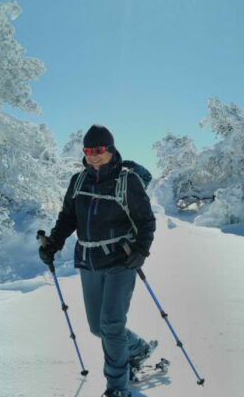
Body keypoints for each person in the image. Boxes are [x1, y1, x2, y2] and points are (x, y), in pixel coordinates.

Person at [38, 125, 157, 397]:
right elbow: (68, 217)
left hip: (121, 261)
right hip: (88, 261)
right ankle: (137, 348)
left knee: (111, 326)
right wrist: (54, 243)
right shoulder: (78, 181)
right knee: (96, 327)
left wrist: (142, 250)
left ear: (110, 149)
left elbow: (146, 222)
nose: (93, 156)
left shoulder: (128, 181)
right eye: (89, 151)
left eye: (99, 150)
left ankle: (117, 388)